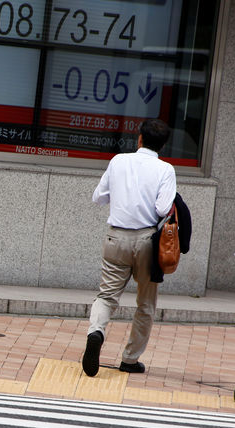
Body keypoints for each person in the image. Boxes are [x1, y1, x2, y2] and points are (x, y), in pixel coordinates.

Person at [82, 119, 177, 377]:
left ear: (139, 138)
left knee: (106, 296)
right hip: (147, 242)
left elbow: (98, 197)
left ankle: (96, 332)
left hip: (115, 239)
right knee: (145, 304)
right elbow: (161, 209)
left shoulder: (118, 161)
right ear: (163, 145)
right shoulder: (166, 170)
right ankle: (130, 359)